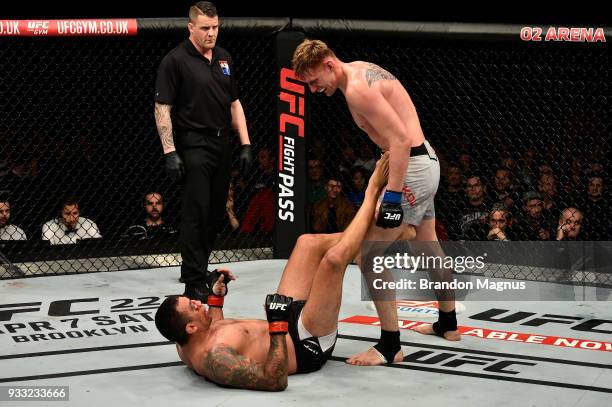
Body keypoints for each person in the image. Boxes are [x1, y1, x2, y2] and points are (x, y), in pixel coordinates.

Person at [155, 154, 390, 390]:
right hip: (306, 343)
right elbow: (274, 380)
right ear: (190, 327)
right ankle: (373, 191)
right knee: (333, 260)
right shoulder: (216, 360)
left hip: (285, 322)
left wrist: (216, 299)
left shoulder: (185, 341)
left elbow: (217, 330)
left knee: (307, 242)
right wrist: (276, 324)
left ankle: (382, 237)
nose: (197, 302)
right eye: (192, 307)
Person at [292, 39, 459, 366]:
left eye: (313, 81)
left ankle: (389, 345)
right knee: (429, 247)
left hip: (410, 167)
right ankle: (448, 323)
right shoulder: (358, 70)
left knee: (368, 254)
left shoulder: (357, 89)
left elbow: (398, 139)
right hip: (422, 161)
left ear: (328, 64)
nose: (313, 90)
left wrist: (393, 196)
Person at [154, 1, 252, 301]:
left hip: (222, 143)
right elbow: (162, 107)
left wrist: (245, 143)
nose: (212, 33)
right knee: (196, 210)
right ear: (191, 27)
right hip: (193, 143)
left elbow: (234, 103)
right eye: (206, 28)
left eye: (215, 27)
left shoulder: (224, 58)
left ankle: (198, 268)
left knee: (214, 211)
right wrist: (170, 151)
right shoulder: (175, 60)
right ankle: (193, 279)